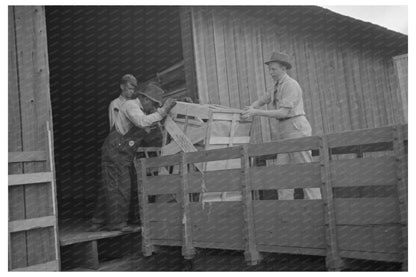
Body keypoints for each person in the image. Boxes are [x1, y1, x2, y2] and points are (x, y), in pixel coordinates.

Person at [89, 77, 176, 232]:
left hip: (123, 154)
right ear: (143, 98)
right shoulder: (131, 106)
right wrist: (163, 111)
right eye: (153, 104)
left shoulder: (143, 111)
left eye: (157, 105)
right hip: (115, 151)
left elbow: (150, 130)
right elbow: (143, 122)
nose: (154, 108)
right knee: (120, 187)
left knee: (110, 186)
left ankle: (98, 221)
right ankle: (117, 224)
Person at [241, 51, 321, 200]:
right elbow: (261, 100)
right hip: (284, 132)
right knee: (282, 172)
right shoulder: (275, 86)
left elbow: (283, 113)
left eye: (274, 69)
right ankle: (285, 212)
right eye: (269, 69)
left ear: (284, 69)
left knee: (305, 170)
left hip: (296, 128)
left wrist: (256, 112)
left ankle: (317, 206)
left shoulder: (291, 85)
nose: (270, 73)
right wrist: (248, 110)